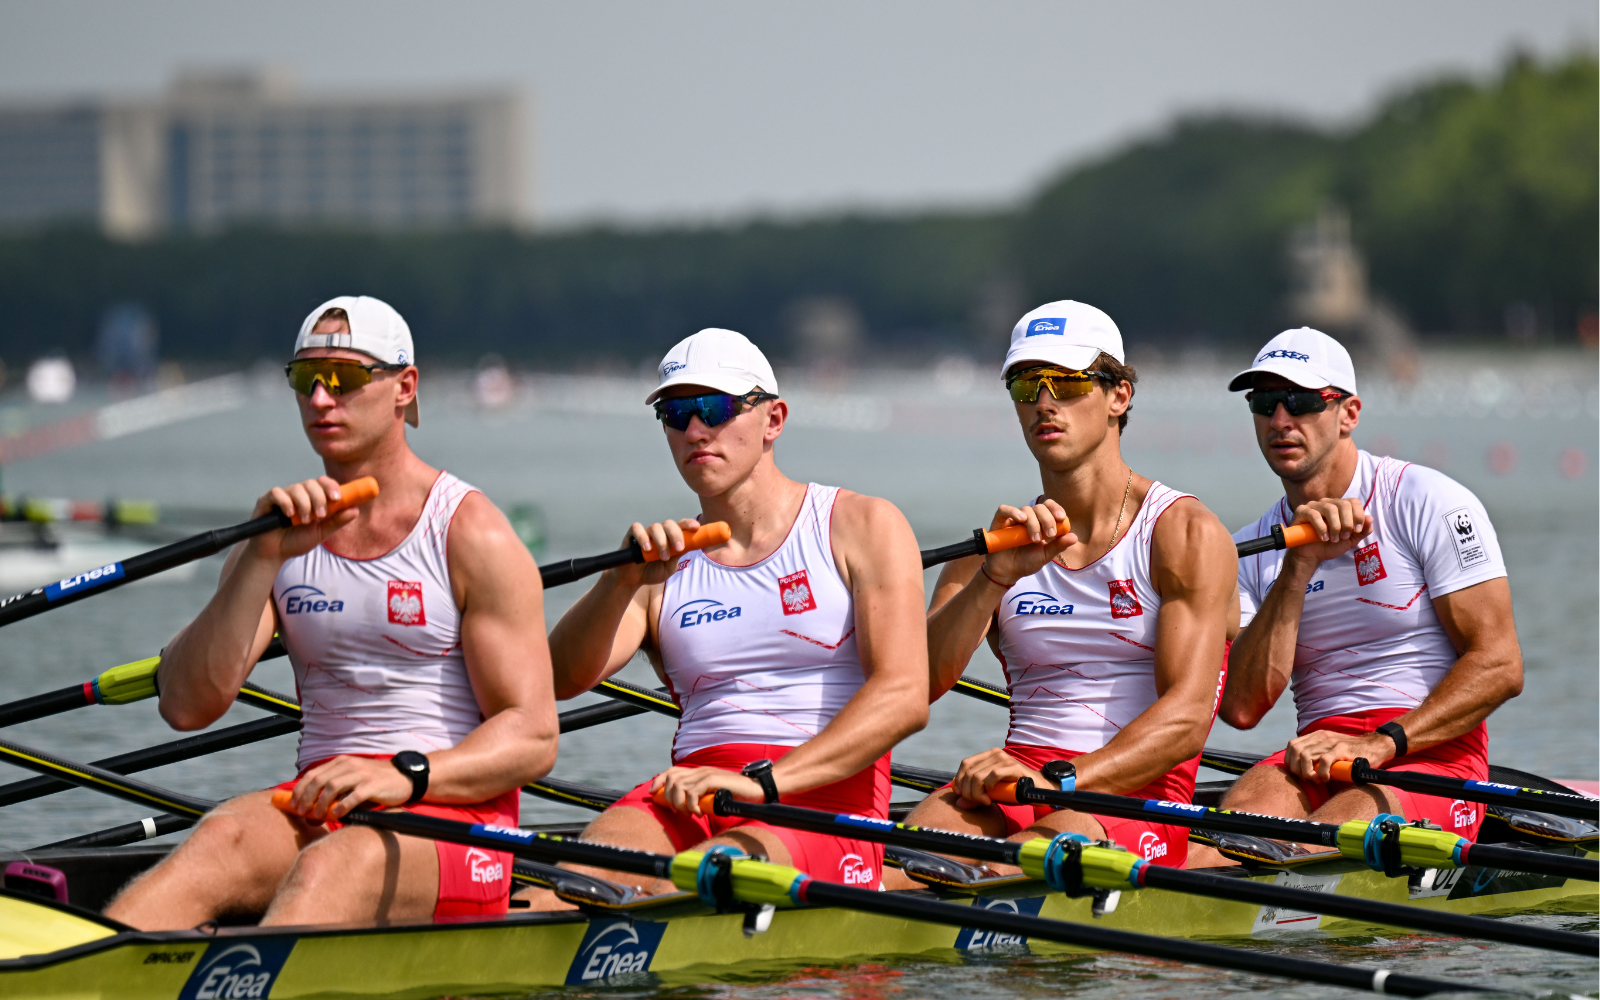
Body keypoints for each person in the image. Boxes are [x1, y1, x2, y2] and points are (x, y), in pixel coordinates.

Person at [106, 296, 558, 929]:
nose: (320, 399)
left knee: (329, 865)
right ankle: (66, 970)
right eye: (305, 379)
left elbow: (533, 735)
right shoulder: (281, 531)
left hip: (456, 819)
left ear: (404, 387)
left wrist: (406, 775)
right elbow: (185, 705)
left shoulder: (470, 531)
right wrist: (260, 557)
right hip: (326, 803)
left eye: (343, 378)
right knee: (219, 837)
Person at [517, 328, 928, 906]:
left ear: (774, 419)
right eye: (674, 414)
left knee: (698, 881)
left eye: (713, 408)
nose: (694, 430)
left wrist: (761, 782)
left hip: (825, 804)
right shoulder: (661, 561)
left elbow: (905, 697)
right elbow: (558, 682)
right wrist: (618, 582)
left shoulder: (862, 525)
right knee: (568, 888)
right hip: (691, 795)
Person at [880, 301, 1237, 890]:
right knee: (893, 870)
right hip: (1016, 783)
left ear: (1119, 396)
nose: (1044, 402)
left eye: (1066, 383)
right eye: (1027, 385)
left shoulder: (1184, 533)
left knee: (1002, 868)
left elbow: (1186, 720)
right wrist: (993, 578)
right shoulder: (996, 543)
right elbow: (914, 687)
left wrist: (1060, 781)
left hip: (1135, 795)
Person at [1191, 327, 1521, 864]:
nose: (1280, 419)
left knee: (1317, 842)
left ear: (1349, 414)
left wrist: (1381, 743)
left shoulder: (1426, 501)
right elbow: (1243, 707)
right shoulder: (1249, 550)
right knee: (1225, 841)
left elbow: (1501, 665)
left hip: (1433, 757)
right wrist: (1297, 568)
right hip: (1317, 756)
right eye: (1264, 402)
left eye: (1300, 401)